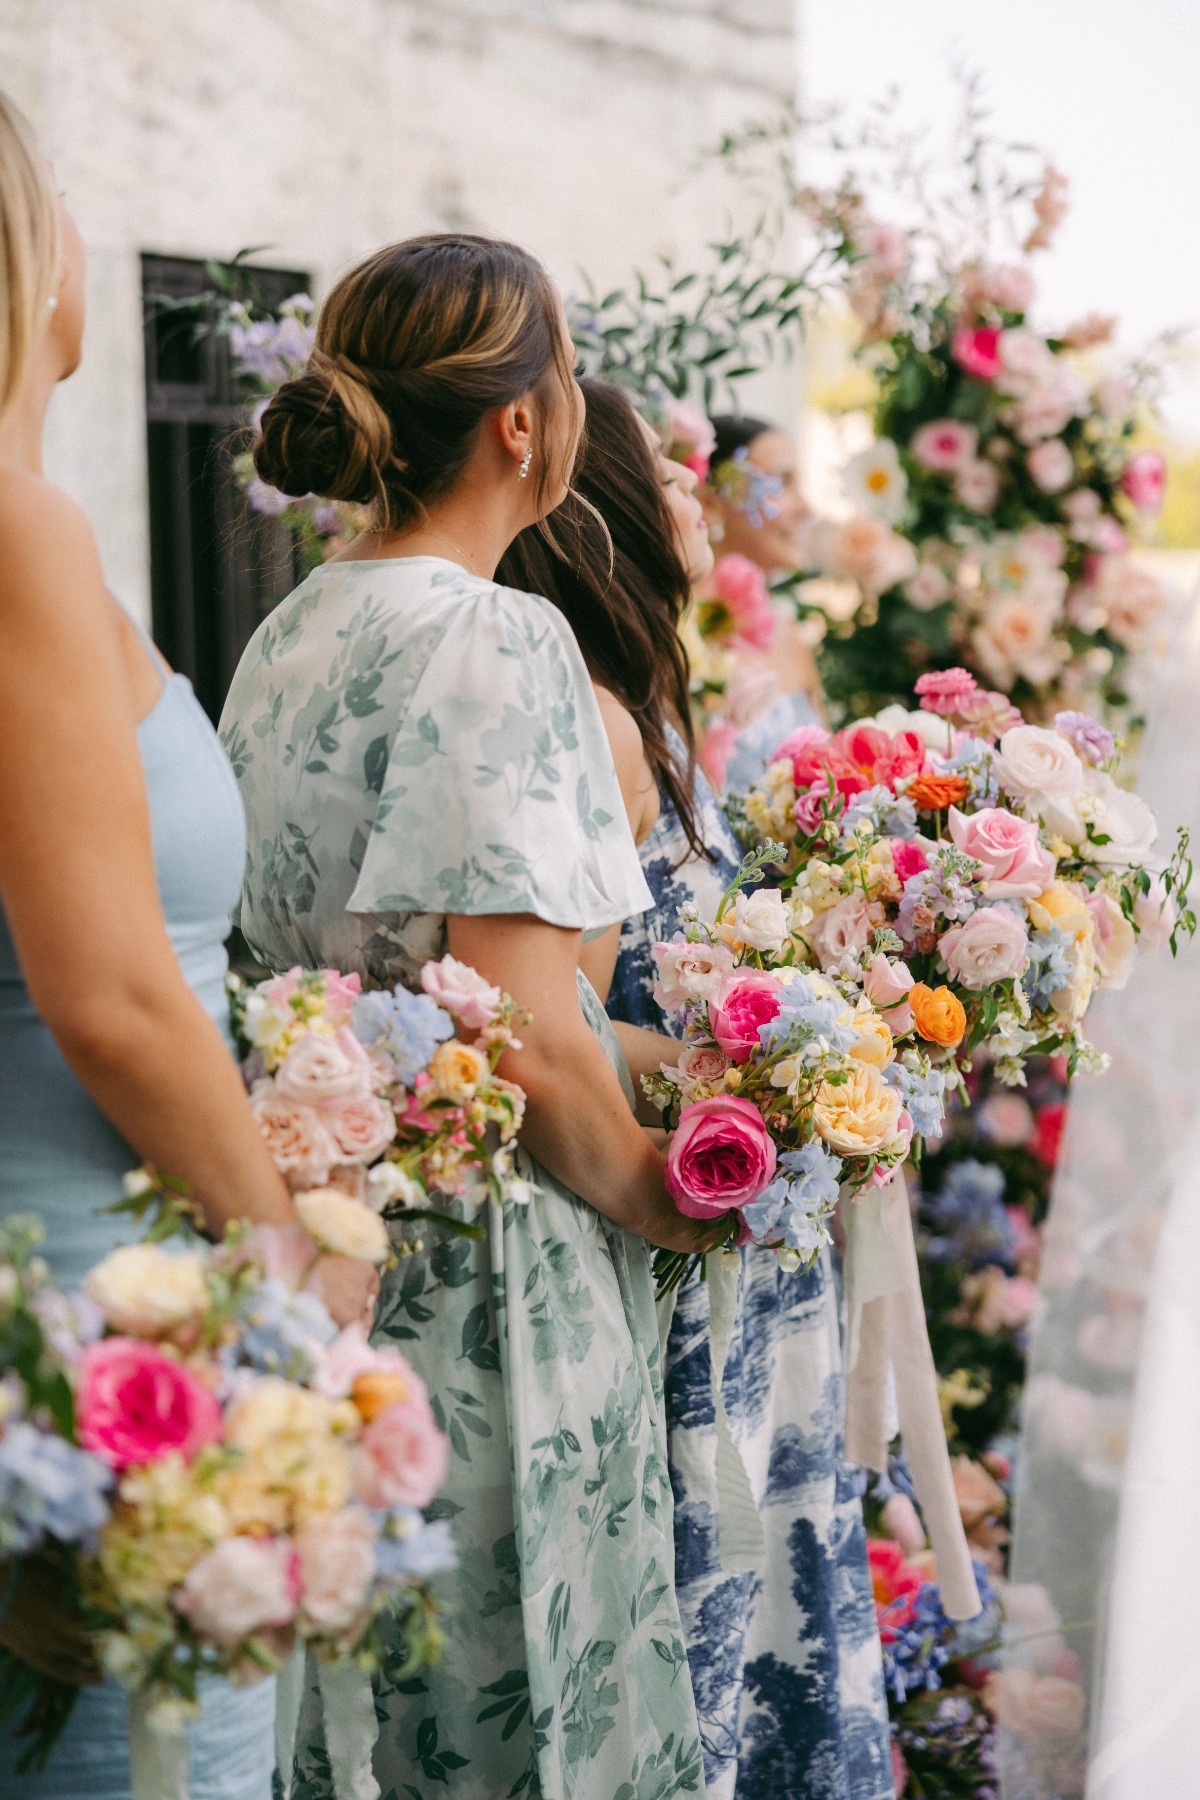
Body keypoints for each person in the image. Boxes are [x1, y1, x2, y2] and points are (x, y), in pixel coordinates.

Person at [218, 233, 709, 1800]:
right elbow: (517, 1020)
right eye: (559, 371)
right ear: (521, 423)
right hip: (488, 1269)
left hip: (332, 1239)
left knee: (376, 1716)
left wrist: (690, 1057)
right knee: (521, 1711)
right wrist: (665, 1196)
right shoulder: (496, 633)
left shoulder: (288, 631)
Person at [0, 93, 379, 1800]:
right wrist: (288, 1274)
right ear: (30, 263)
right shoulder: (20, 539)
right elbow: (116, 1002)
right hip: (95, 1337)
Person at [501, 381, 894, 1799]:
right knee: (712, 1632)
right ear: (605, 507)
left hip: (751, 1250)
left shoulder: (651, 704)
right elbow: (569, 1024)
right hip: (676, 1258)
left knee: (782, 1604)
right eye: (667, 476)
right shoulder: (589, 724)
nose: (695, 497)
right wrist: (776, 1071)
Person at [703, 414, 825, 793]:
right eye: (783, 484)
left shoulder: (786, 630)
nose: (806, 508)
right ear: (713, 502)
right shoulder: (680, 632)